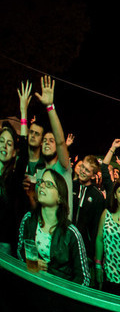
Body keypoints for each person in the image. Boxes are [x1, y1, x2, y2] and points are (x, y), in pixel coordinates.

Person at [18, 168, 90, 285]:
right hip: (31, 286)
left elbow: (84, 278)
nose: (42, 186)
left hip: (58, 295)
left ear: (60, 197)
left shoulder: (71, 233)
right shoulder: (29, 220)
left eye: (49, 184)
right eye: (41, 182)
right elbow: (19, 252)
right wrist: (29, 263)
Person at [33, 76, 74, 218]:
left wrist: (50, 107)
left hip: (61, 235)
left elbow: (61, 142)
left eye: (51, 141)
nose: (46, 142)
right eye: (44, 140)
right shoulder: (39, 173)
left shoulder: (63, 167)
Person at [0, 82, 33, 255]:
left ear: (14, 153)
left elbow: (25, 156)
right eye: (1, 141)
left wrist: (23, 112)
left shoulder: (12, 179)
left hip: (3, 246)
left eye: (9, 143)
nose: (4, 146)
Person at [71, 154, 106, 269]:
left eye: (87, 170)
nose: (83, 171)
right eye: (82, 167)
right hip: (66, 241)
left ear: (93, 175)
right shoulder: (70, 186)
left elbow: (96, 227)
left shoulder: (97, 196)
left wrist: (93, 255)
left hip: (84, 248)